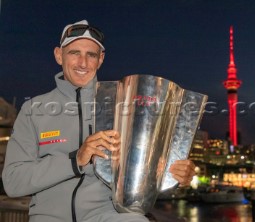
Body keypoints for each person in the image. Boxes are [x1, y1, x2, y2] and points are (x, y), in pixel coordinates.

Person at [2, 20, 196, 222]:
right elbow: (13, 182)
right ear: (59, 55)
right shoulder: (33, 109)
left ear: (101, 59)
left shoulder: (123, 106)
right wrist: (76, 159)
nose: (83, 63)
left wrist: (175, 175)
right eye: (74, 53)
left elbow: (142, 173)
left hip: (105, 215)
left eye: (91, 55)